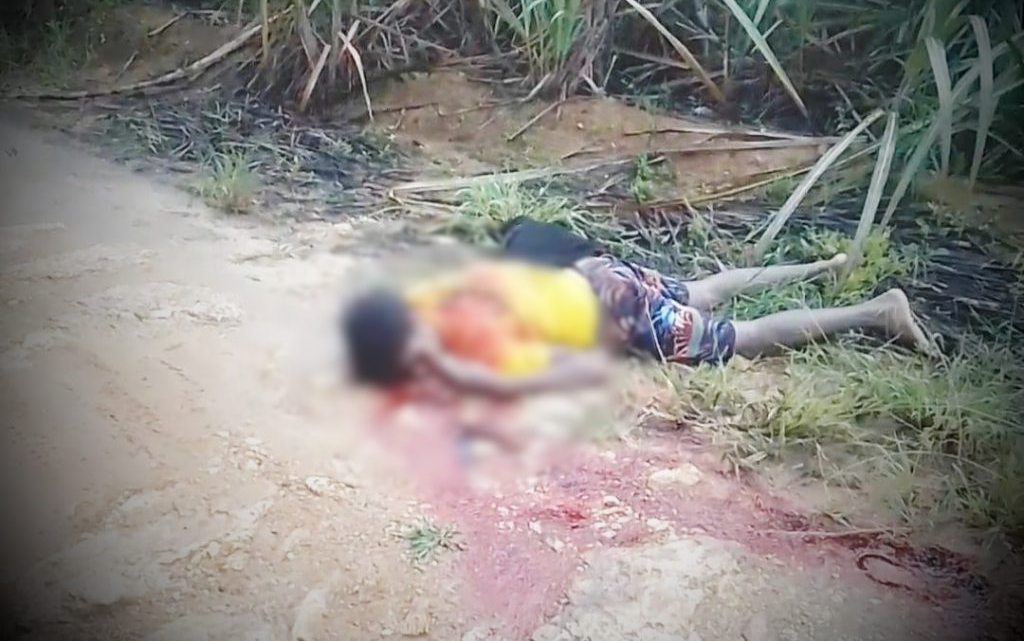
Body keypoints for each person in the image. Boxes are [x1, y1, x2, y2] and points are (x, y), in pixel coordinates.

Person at [340, 217, 932, 399]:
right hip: (608, 271)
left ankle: (876, 312)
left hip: (604, 302)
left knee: (742, 337)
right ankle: (824, 266)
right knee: (704, 290)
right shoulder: (517, 246)